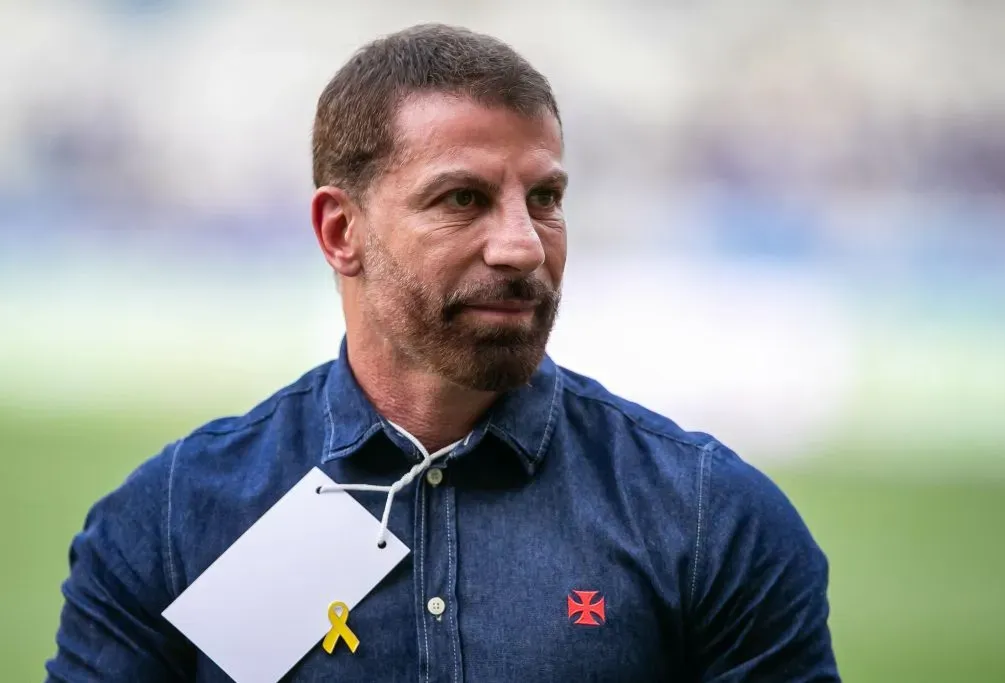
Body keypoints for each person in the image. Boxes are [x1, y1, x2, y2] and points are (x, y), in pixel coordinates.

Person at [46, 24, 840, 682]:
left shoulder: (709, 518)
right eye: (462, 199)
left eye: (546, 199)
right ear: (340, 231)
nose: (522, 246)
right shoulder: (176, 518)